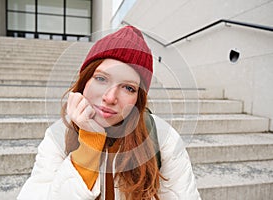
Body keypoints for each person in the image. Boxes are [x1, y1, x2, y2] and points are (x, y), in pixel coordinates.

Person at [17, 26, 201, 200]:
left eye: (128, 88)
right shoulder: (58, 136)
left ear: (138, 98)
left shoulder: (163, 137)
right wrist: (88, 145)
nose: (110, 97)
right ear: (85, 81)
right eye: (101, 78)